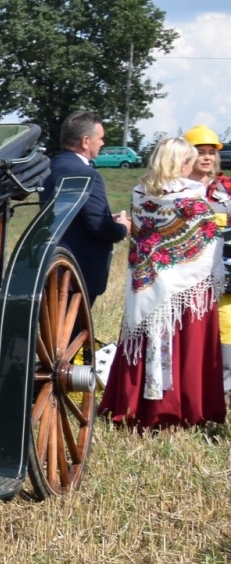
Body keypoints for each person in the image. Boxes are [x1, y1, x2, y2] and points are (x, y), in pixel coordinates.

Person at [99, 137, 226, 429]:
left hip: (148, 284)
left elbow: (145, 238)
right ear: (178, 162)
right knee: (186, 347)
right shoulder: (191, 199)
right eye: (189, 160)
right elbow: (208, 240)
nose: (194, 164)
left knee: (147, 340)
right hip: (187, 288)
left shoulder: (139, 194)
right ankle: (181, 409)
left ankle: (137, 407)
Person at [41, 111, 131, 301]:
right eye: (100, 138)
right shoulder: (87, 174)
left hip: (49, 263)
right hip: (78, 269)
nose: (103, 143)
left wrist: (107, 218)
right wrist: (123, 227)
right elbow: (101, 228)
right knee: (76, 330)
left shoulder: (50, 167)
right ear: (85, 141)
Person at [184, 124, 231, 396]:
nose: (207, 157)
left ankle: (221, 395)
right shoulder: (176, 188)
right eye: (200, 152)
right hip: (186, 278)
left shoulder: (226, 187)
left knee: (226, 330)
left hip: (223, 274)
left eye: (211, 153)